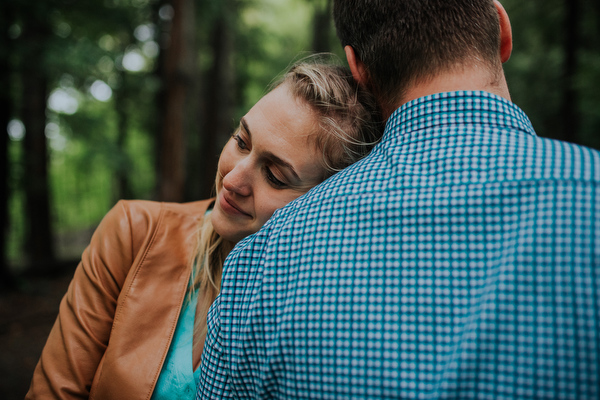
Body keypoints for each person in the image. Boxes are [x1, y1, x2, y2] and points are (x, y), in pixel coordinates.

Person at [197, 1, 600, 398]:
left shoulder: (263, 257)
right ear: (501, 29)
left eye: (276, 174)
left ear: (357, 69)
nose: (234, 178)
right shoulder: (588, 196)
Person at [25, 61, 383, 399]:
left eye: (275, 175)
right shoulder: (134, 233)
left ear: (327, 199)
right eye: (241, 141)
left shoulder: (325, 310)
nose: (232, 179)